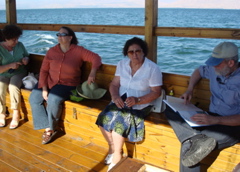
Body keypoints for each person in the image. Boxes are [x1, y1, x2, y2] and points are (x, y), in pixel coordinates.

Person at [165, 42, 240, 172]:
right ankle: (194, 137)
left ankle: (193, 139)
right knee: (169, 108)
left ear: (231, 63)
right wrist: (190, 90)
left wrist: (215, 120)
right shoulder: (214, 68)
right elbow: (199, 71)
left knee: (190, 148)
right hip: (209, 117)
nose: (213, 66)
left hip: (231, 125)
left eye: (217, 63)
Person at [96, 37, 162, 171]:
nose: (135, 54)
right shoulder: (122, 64)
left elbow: (156, 92)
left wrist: (138, 100)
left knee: (118, 125)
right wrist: (115, 96)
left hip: (142, 103)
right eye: (131, 52)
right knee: (102, 120)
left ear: (144, 52)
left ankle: (117, 157)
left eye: (138, 51)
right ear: (127, 53)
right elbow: (114, 84)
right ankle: (113, 148)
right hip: (121, 99)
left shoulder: (152, 68)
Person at [29, 26, 102, 144]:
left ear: (70, 37)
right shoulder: (52, 51)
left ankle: (50, 129)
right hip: (49, 81)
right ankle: (46, 125)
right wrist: (44, 88)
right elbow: (43, 71)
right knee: (34, 98)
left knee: (53, 100)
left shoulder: (78, 50)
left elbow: (96, 58)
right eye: (58, 34)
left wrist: (92, 73)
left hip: (68, 84)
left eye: (63, 34)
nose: (59, 36)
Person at [0, 24, 29, 129]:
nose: (16, 42)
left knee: (13, 86)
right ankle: (2, 113)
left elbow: (26, 55)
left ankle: (16, 113)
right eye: (13, 40)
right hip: (3, 73)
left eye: (17, 39)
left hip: (19, 72)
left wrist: (25, 59)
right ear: (6, 39)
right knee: (0, 87)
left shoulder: (20, 45)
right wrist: (10, 65)